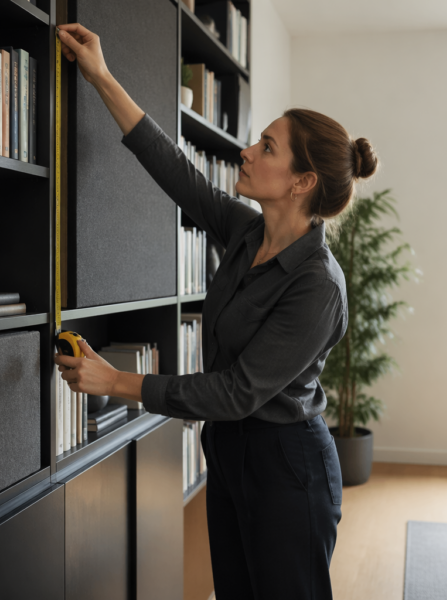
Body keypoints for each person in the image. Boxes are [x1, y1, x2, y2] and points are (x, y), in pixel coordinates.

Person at [52, 22, 378, 600]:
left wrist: (115, 380)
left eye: (267, 147)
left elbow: (235, 391)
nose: (248, 151)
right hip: (228, 452)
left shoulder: (318, 286)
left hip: (287, 468)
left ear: (303, 182)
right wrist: (101, 76)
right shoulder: (247, 231)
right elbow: (175, 169)